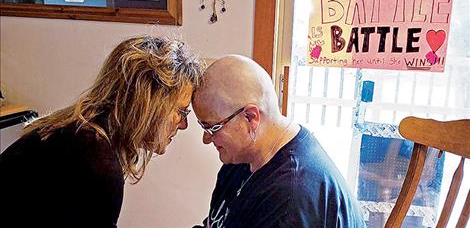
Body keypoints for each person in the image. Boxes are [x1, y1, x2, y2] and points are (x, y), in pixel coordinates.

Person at [0, 36, 205, 228]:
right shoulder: (96, 164)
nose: (183, 124)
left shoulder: (74, 132)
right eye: (181, 111)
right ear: (149, 104)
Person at [192, 55, 365, 228]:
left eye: (212, 127)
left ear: (250, 117)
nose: (206, 138)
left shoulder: (290, 199)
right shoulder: (240, 159)